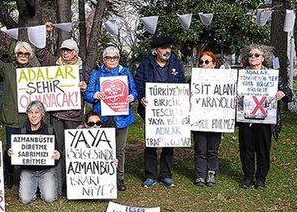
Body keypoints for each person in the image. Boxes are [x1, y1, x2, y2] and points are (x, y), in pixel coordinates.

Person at [35, 23, 88, 195]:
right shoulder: (53, 63)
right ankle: (58, 185)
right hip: (56, 115)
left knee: (72, 150)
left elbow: (90, 87)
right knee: (57, 150)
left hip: (74, 115)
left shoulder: (83, 68)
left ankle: (74, 184)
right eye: (63, 50)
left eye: (69, 50)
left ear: (75, 52)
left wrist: (85, 86)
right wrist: (46, 33)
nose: (65, 53)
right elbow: (41, 53)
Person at [0, 42, 39, 189]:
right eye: (20, 53)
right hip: (12, 116)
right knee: (11, 149)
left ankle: (28, 176)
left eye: (26, 54)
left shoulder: (36, 72)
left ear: (30, 56)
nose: (23, 56)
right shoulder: (8, 68)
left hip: (30, 118)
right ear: (16, 54)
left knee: (29, 148)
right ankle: (8, 176)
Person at [237, 45, 293, 190]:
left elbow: (288, 92)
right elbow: (232, 91)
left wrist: (283, 93)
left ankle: (261, 178)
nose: (253, 57)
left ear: (264, 58)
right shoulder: (241, 75)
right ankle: (248, 177)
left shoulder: (271, 76)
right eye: (250, 55)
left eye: (256, 55)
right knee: (246, 149)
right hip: (246, 118)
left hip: (265, 119)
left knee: (263, 149)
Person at [134, 35, 186, 188]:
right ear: (156, 50)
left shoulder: (176, 64)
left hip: (171, 112)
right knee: (151, 142)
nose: (167, 51)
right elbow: (138, 84)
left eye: (169, 48)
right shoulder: (145, 64)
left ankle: (166, 174)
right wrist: (142, 97)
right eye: (163, 48)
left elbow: (182, 83)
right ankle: (151, 175)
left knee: (169, 142)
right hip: (151, 111)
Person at [84, 46, 137, 191]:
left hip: (121, 117)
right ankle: (102, 177)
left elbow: (134, 91)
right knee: (101, 149)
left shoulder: (125, 72)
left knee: (120, 150)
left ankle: (119, 178)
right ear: (103, 59)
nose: (112, 60)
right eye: (109, 58)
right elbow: (87, 94)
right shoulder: (96, 73)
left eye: (115, 57)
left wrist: (132, 97)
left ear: (119, 58)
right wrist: (94, 96)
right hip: (102, 117)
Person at [9, 100, 60, 204]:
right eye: (30, 112)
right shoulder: (22, 131)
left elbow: (56, 150)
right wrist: (9, 153)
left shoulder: (49, 130)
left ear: (42, 114)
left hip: (46, 170)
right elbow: (14, 154)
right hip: (28, 170)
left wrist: (58, 155)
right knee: (25, 199)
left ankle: (40, 186)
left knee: (49, 198)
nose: (33, 116)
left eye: (36, 112)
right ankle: (34, 186)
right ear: (27, 114)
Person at [192, 51, 223, 187]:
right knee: (200, 148)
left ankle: (211, 173)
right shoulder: (193, 80)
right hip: (199, 119)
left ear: (214, 64)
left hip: (216, 119)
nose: (203, 65)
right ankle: (200, 175)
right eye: (201, 62)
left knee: (212, 149)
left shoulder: (223, 80)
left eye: (207, 62)